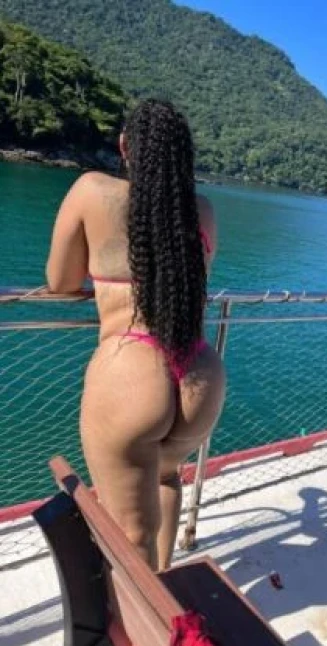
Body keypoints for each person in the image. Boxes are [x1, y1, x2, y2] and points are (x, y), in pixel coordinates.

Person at [46, 99, 226, 571]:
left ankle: (144, 618)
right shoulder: (203, 211)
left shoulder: (92, 190)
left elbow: (61, 281)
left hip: (131, 370)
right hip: (199, 371)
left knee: (131, 535)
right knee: (166, 477)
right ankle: (165, 591)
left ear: (125, 145)